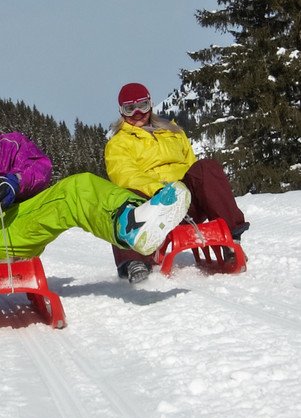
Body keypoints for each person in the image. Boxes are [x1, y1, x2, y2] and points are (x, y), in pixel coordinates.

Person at [0, 88, 192, 339]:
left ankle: (131, 224)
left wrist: (15, 181)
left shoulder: (9, 143)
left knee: (77, 185)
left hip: (16, 220)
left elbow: (40, 166)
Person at [104, 82, 248, 281]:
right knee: (125, 197)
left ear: (151, 105)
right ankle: (133, 261)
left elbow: (192, 167)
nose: (138, 113)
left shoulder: (173, 131)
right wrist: (161, 191)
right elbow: (125, 175)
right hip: (153, 207)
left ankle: (232, 239)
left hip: (186, 202)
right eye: (130, 108)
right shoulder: (118, 144)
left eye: (143, 106)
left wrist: (184, 190)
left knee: (206, 168)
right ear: (121, 111)